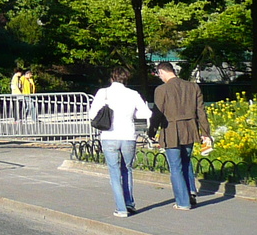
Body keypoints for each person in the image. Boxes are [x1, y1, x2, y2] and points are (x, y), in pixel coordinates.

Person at [89, 65, 151, 218]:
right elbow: (146, 112)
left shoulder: (103, 93)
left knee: (114, 172)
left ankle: (121, 208)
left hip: (109, 136)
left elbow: (92, 115)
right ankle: (130, 203)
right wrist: (132, 114)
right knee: (127, 169)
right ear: (126, 79)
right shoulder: (133, 94)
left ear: (112, 77)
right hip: (129, 135)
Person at [152, 61, 212, 210]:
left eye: (160, 75)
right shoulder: (193, 87)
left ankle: (183, 202)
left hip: (171, 131)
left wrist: (151, 132)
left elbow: (157, 114)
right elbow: (201, 112)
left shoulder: (161, 89)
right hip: (190, 130)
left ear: (162, 72)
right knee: (186, 162)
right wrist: (206, 133)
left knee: (175, 167)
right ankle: (190, 193)